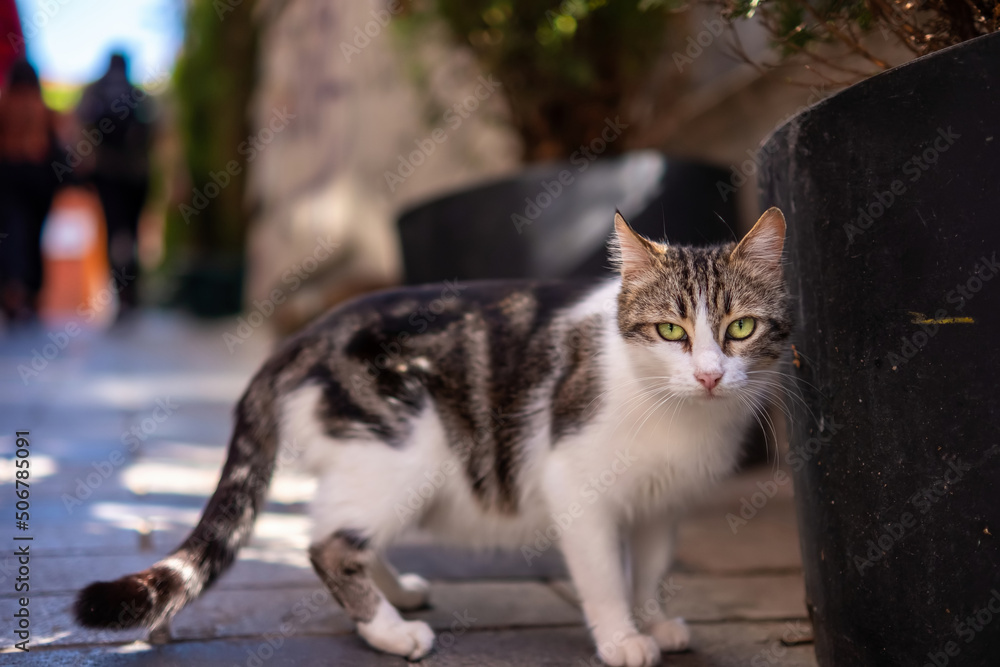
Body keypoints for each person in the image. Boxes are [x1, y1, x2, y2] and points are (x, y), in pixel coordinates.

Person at [76, 52, 153, 314]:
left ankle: (122, 291)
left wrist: (88, 162)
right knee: (131, 234)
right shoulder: (138, 94)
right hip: (136, 176)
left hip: (108, 174)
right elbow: (158, 129)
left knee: (113, 233)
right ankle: (131, 292)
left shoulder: (96, 92)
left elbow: (81, 127)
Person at [0, 59, 62, 323]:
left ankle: (12, 289)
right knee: (33, 237)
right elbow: (59, 151)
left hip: (8, 179)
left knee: (10, 235)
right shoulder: (44, 109)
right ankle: (31, 293)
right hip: (38, 182)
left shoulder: (4, 107)